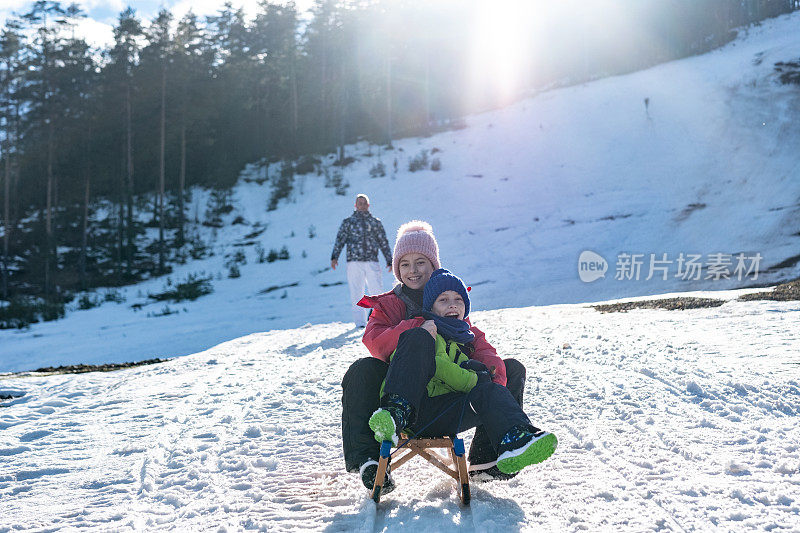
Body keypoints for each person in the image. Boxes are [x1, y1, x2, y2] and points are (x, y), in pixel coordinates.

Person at [340, 221, 529, 492]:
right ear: (397, 268)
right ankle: (370, 461)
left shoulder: (447, 297)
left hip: (449, 396)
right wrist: (416, 326)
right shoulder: (389, 304)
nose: (413, 270)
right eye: (405, 264)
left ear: (433, 265)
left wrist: (494, 379)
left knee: (510, 369)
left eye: (420, 262)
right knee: (361, 370)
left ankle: (487, 460)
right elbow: (375, 343)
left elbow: (473, 339)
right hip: (402, 393)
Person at [368, 268, 557, 490]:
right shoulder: (429, 333)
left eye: (458, 299)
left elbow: (489, 361)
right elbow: (440, 368)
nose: (452, 305)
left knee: (493, 384)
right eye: (443, 300)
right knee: (482, 386)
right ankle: (396, 411)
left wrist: (486, 379)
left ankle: (513, 438)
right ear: (431, 308)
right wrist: (476, 380)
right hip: (422, 413)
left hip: (448, 411)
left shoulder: (464, 338)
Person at [330, 194, 393, 327]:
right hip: (354, 261)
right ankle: (360, 323)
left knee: (377, 291)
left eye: (364, 203)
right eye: (360, 203)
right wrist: (334, 257)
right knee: (356, 291)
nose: (362, 205)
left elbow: (383, 242)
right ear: (355, 205)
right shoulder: (348, 222)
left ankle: (379, 321)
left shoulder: (375, 222)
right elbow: (340, 240)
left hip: (372, 261)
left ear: (368, 205)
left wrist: (389, 260)